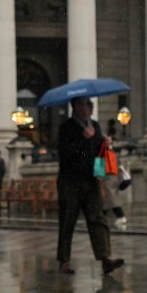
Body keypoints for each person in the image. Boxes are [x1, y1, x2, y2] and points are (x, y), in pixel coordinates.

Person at [54, 95, 123, 275]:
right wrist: (83, 139)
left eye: (90, 105)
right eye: (84, 104)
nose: (88, 108)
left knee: (98, 219)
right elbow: (65, 154)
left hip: (90, 180)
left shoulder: (95, 126)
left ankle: (105, 258)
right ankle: (64, 261)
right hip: (70, 181)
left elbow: (98, 152)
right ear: (75, 107)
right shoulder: (66, 128)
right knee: (68, 220)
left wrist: (105, 145)